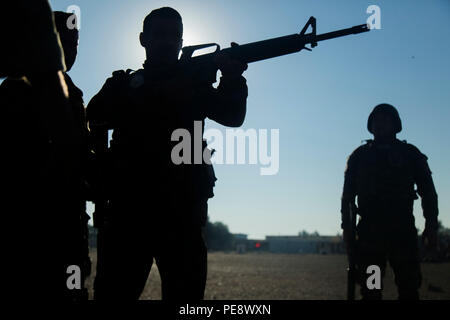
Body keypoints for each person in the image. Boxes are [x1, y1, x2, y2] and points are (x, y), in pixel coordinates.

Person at [87, 7, 248, 300]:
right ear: (142, 39)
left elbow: (232, 115)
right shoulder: (124, 84)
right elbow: (94, 117)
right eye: (159, 34)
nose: (167, 41)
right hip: (128, 215)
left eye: (174, 36)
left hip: (182, 215)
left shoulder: (194, 83)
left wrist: (233, 77)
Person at [0, 4, 87, 300]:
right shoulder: (16, 90)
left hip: (67, 224)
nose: (70, 50)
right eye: (64, 42)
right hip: (29, 225)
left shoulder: (74, 97)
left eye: (75, 43)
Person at [341, 103, 439, 300]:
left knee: (408, 288)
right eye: (377, 120)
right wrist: (347, 228)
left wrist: (431, 224)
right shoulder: (359, 156)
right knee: (371, 289)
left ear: (396, 125)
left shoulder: (410, 154)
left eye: (386, 119)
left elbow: (428, 192)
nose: (381, 124)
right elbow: (348, 197)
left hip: (402, 233)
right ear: (370, 125)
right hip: (370, 235)